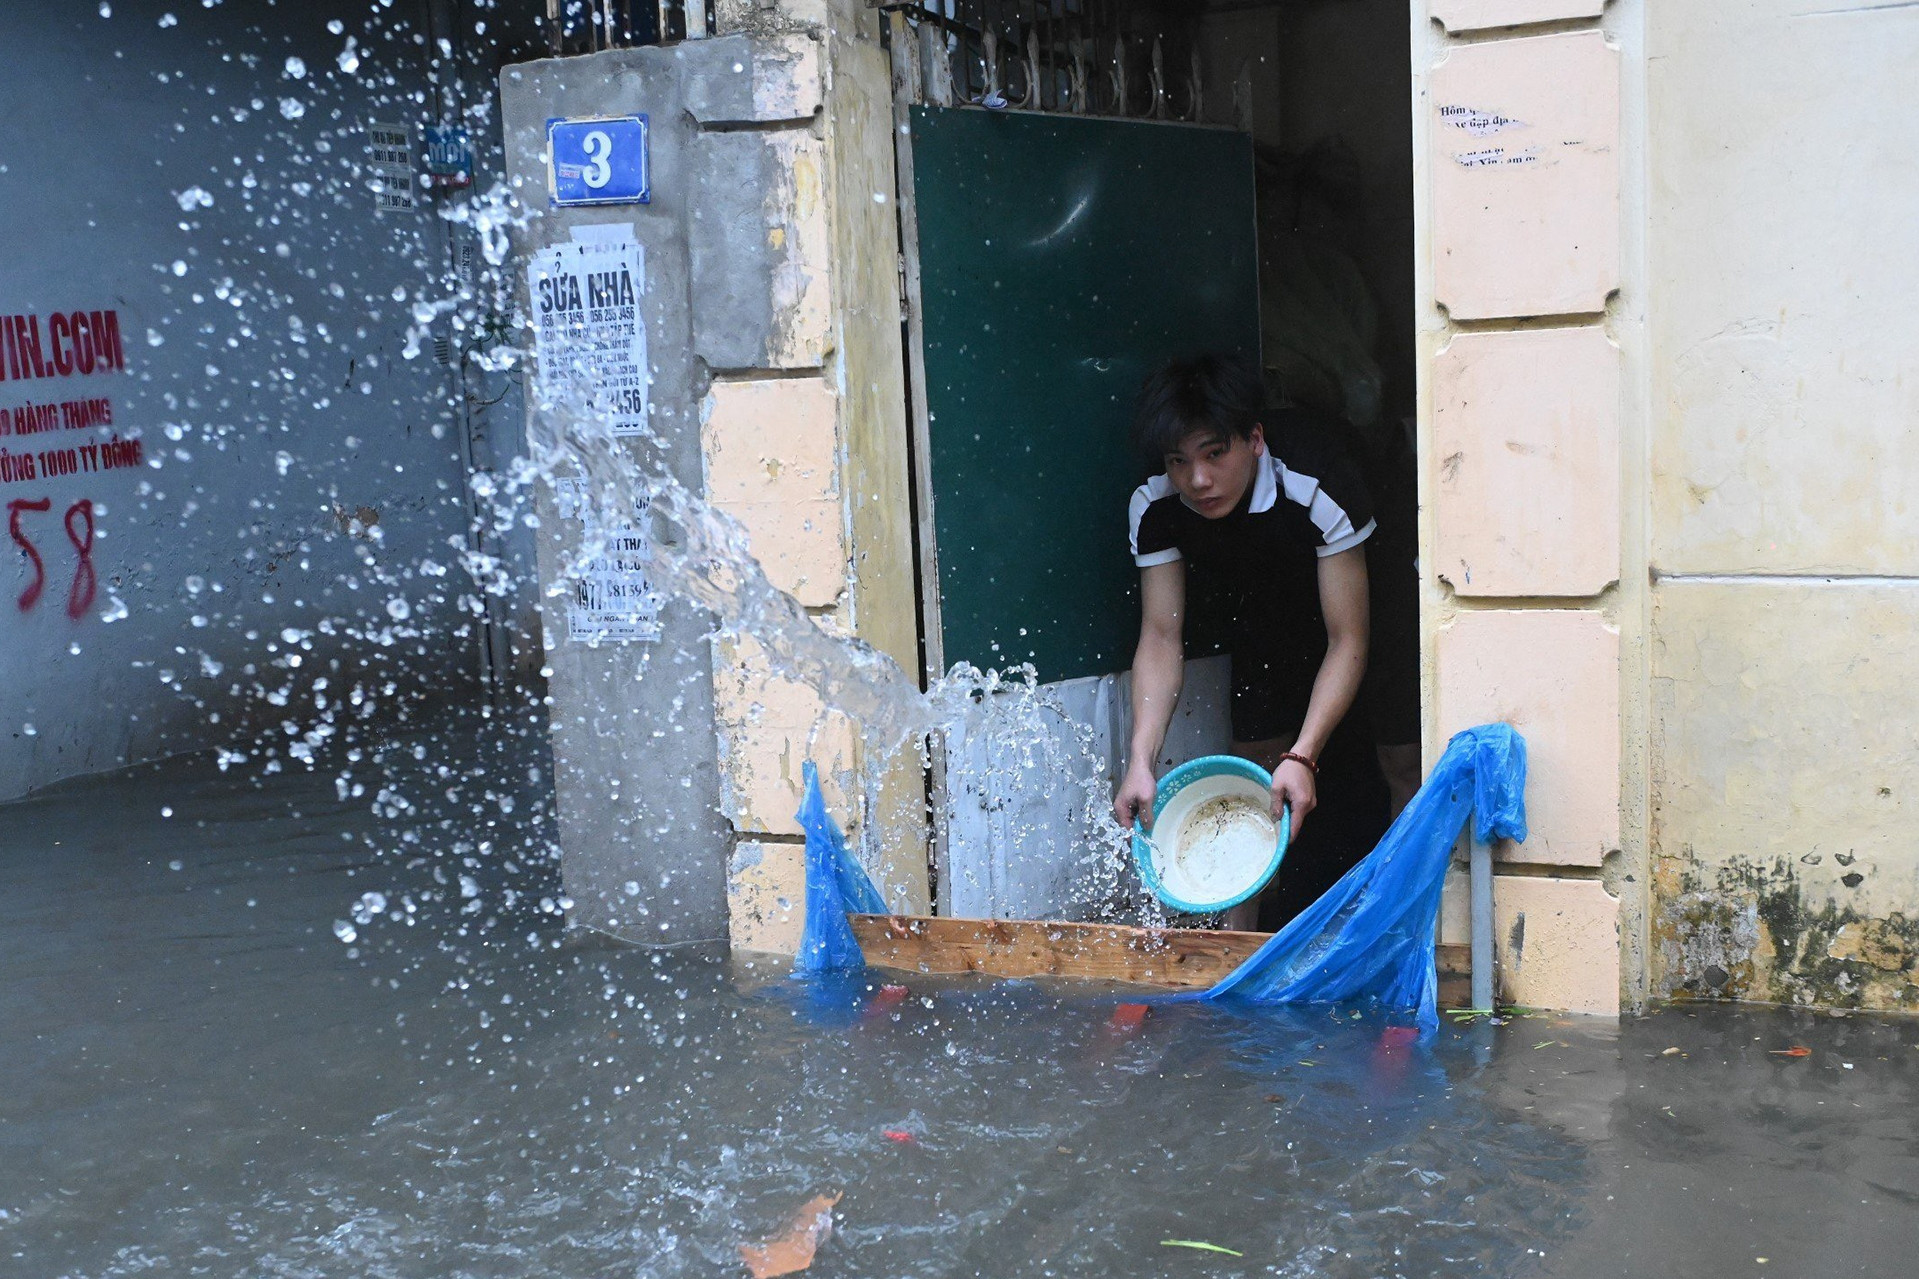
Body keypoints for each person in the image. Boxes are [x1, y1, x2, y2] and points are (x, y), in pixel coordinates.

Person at [1111, 354, 1383, 932]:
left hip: (1360, 595)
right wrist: (1140, 760)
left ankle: (1404, 931)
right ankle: (1242, 943)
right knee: (1257, 768)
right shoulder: (1155, 503)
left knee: (1403, 757)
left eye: (1215, 454)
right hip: (1263, 604)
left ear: (1254, 439)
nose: (1198, 480)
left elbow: (1348, 637)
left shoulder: (1317, 478)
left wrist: (1306, 754)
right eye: (1179, 461)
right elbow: (1161, 636)